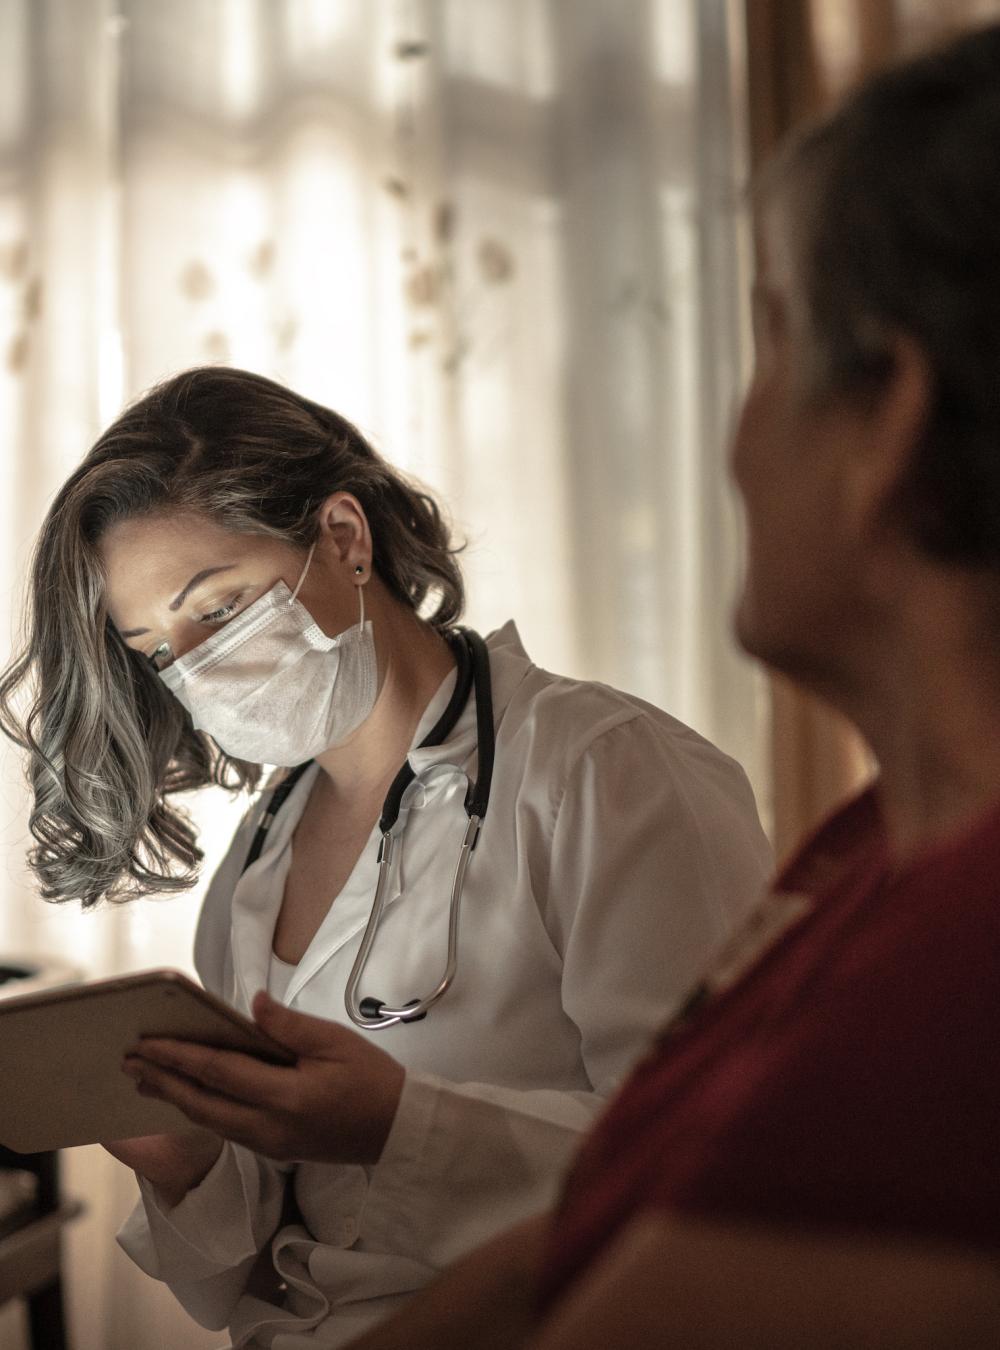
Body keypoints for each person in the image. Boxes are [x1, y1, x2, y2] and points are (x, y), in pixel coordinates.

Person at [331, 20, 1000, 1349]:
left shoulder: (966, 973)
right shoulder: (869, 857)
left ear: (890, 421)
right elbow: (566, 1251)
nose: (736, 444)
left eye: (769, 343)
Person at [0, 365, 771, 1347]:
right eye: (156, 650)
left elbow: (729, 1177)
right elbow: (248, 1276)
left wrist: (398, 1125)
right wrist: (187, 1158)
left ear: (343, 539)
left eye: (222, 609)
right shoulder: (256, 865)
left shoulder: (607, 773)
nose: (193, 672)